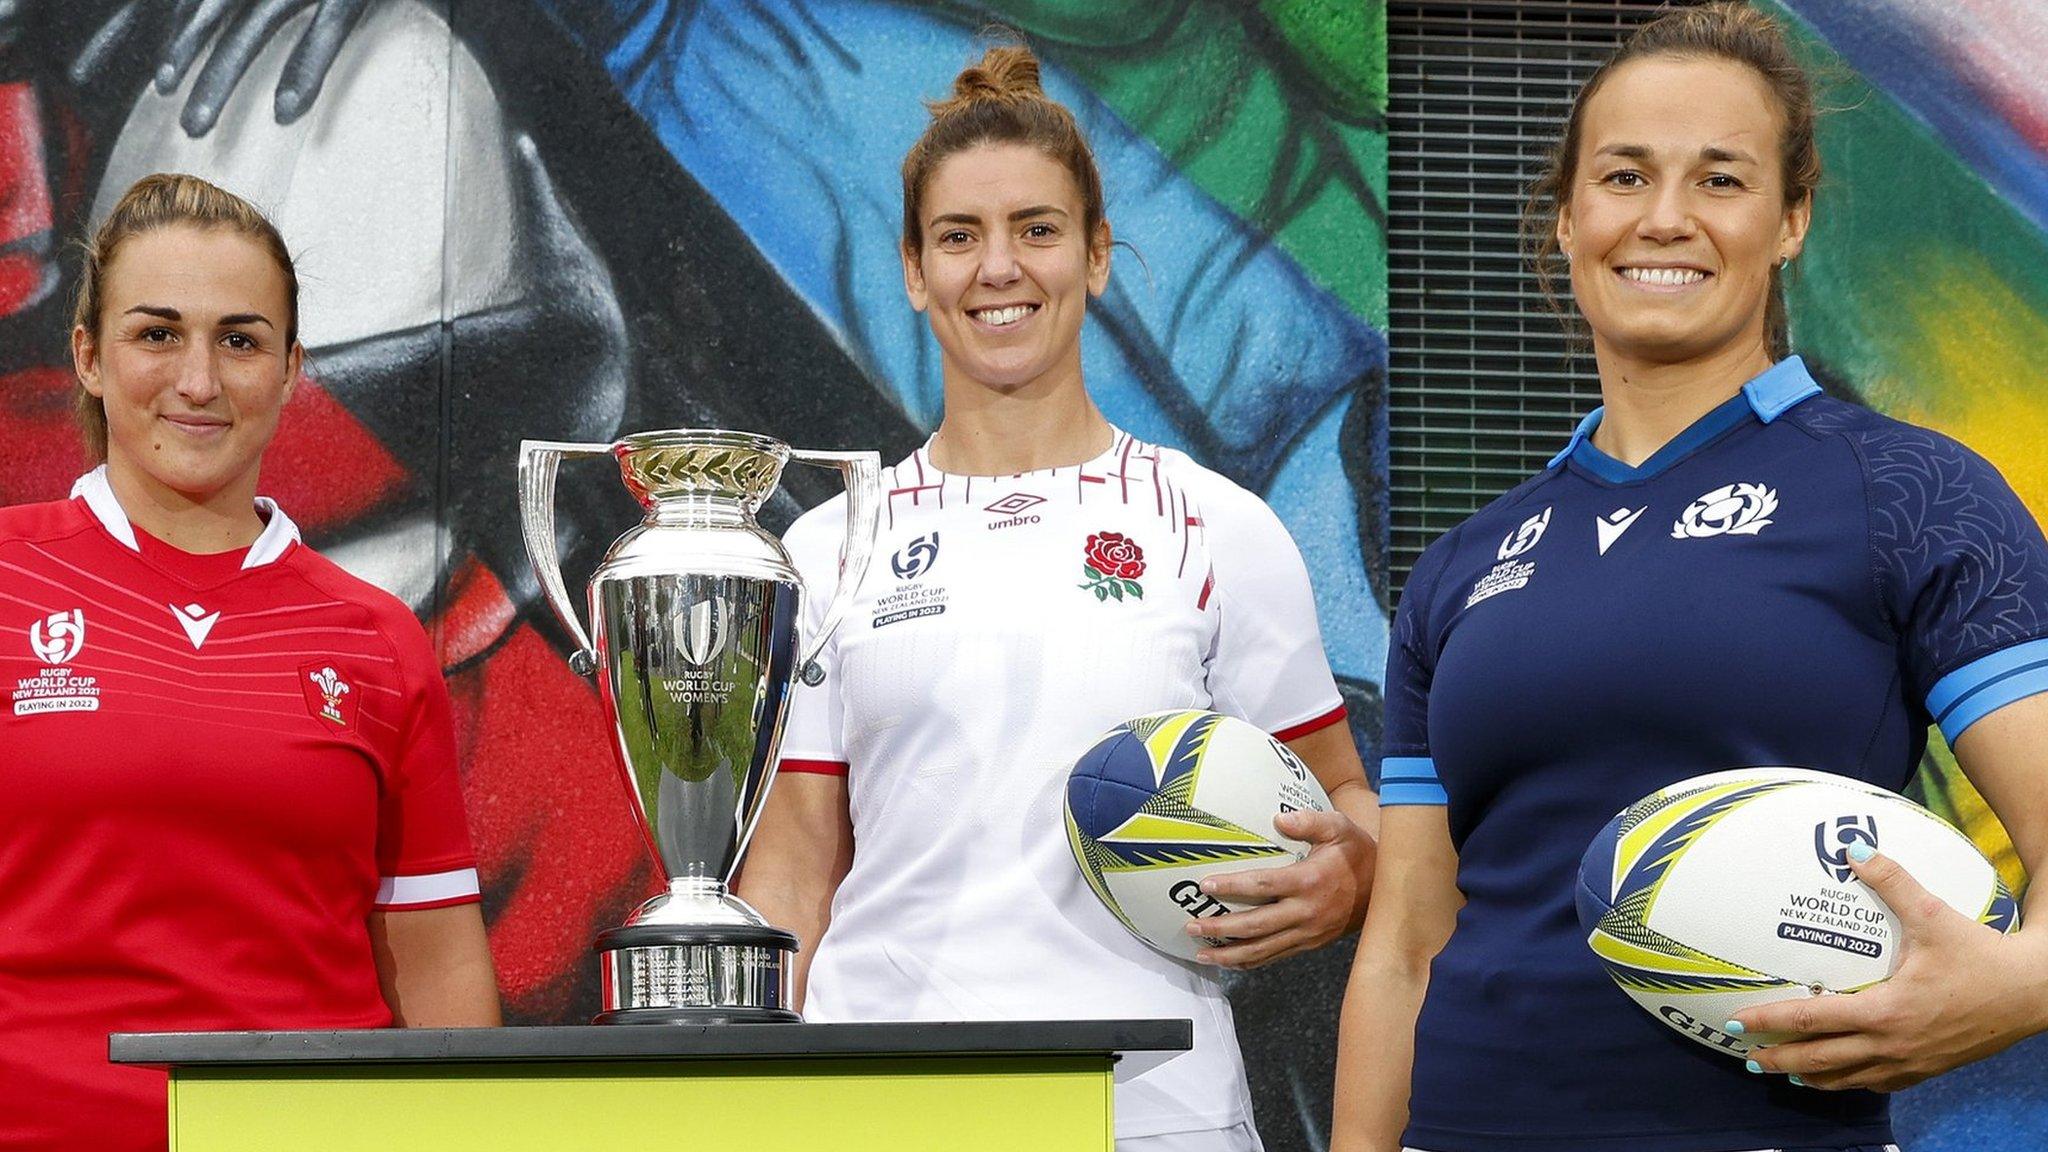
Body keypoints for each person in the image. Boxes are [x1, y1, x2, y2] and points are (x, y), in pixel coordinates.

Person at [1331, 5, 2048, 1152]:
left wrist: (2013, 990)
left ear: (1788, 219)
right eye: (1622, 176)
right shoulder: (1464, 565)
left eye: (1720, 180)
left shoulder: (1908, 494)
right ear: (1566, 218)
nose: (1663, 218)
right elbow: (1407, 943)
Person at [737, 44, 1379, 1152]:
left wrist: (1348, 873)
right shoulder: (832, 541)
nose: (999, 268)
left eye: (1036, 230)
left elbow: (1347, 804)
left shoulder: (1216, 527)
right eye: (958, 236)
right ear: (910, 269)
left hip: (1152, 1111)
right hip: (883, 1102)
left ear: (1096, 257)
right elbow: (793, 865)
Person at [0, 173, 500, 1151]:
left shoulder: (379, 639)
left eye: (240, 340)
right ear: (89, 359)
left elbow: (439, 972)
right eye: (156, 334)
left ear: (288, 369)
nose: (198, 381)